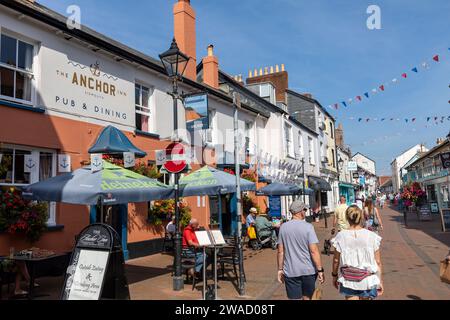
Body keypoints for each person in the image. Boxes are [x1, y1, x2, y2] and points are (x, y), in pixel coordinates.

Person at [331, 205, 384, 300]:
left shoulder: (340, 236)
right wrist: (379, 281)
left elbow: (336, 260)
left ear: (347, 218)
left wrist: (334, 276)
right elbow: (378, 262)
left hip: (348, 279)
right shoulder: (372, 236)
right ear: (361, 217)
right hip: (367, 280)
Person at [277, 201, 325, 300]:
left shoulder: (283, 228)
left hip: (290, 271)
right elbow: (314, 251)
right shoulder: (308, 227)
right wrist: (320, 270)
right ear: (300, 212)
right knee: (307, 297)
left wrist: (280, 269)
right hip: (308, 270)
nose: (306, 212)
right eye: (305, 210)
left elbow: (280, 251)